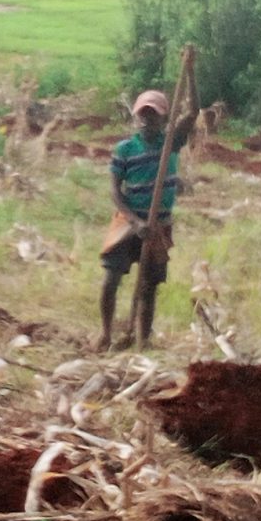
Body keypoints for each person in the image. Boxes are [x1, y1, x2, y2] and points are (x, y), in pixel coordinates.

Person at [99, 88, 198, 350]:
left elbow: (193, 112)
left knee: (148, 287)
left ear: (164, 119)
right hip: (129, 221)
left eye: (153, 115)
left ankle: (143, 341)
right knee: (111, 279)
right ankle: (106, 334)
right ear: (135, 117)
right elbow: (115, 192)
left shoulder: (170, 144)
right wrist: (135, 222)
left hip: (157, 225)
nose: (146, 120)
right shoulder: (125, 150)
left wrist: (190, 72)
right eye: (142, 115)